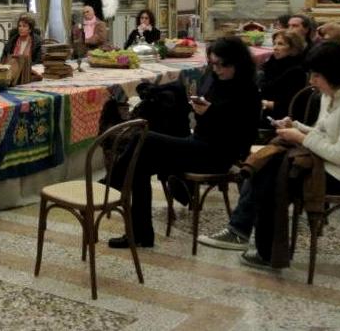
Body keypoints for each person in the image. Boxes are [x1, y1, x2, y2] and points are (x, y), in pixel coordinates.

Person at [107, 37, 261, 249]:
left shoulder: (248, 91)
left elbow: (242, 135)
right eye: (213, 64)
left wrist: (211, 112)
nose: (217, 69)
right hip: (199, 144)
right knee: (139, 163)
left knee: (144, 138)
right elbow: (206, 123)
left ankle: (111, 184)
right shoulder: (217, 82)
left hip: (218, 154)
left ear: (237, 63)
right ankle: (140, 234)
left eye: (222, 64)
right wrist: (201, 111)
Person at [238, 42, 340, 270]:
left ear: (333, 74)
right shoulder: (330, 95)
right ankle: (256, 240)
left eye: (316, 76)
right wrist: (297, 126)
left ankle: (263, 248)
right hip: (325, 162)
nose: (312, 81)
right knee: (268, 167)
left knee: (272, 177)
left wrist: (301, 138)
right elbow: (324, 133)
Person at [259, 29, 307, 124]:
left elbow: (288, 106)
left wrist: (263, 103)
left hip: (280, 117)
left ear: (294, 48)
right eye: (274, 44)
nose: (275, 48)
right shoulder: (272, 64)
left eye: (280, 44)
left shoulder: (296, 71)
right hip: (263, 108)